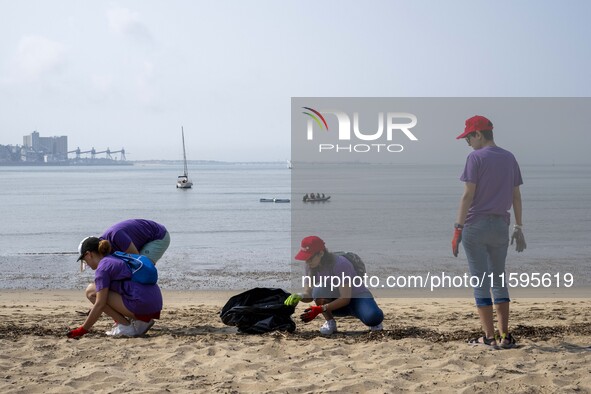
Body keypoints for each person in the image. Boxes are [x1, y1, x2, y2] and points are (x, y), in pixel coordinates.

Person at [452, 115, 526, 349]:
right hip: (500, 226)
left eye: (468, 138)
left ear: (478, 134)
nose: (468, 143)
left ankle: (489, 338)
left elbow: (468, 195)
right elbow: (516, 196)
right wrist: (519, 226)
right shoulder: (509, 157)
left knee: (481, 281)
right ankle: (505, 337)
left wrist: (457, 229)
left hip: (476, 226)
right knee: (498, 279)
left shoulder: (475, 157)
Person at [285, 236, 384, 335]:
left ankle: (364, 312)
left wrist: (321, 309)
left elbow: (345, 298)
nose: (307, 261)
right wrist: (300, 296)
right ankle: (330, 323)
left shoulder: (340, 264)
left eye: (310, 257)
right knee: (318, 290)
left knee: (373, 317)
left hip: (357, 297)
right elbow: (309, 293)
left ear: (321, 253)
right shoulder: (310, 266)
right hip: (335, 304)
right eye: (305, 258)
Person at [67, 236, 163, 339]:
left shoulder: (102, 268)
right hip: (155, 305)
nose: (86, 265)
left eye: (84, 260)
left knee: (91, 292)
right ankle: (139, 322)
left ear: (88, 254)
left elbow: (100, 304)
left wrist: (82, 330)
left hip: (142, 307)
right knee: (100, 290)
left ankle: (125, 326)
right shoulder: (116, 256)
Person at [100, 219, 170, 264]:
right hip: (143, 237)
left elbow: (136, 260)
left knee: (142, 267)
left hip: (158, 235)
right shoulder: (103, 245)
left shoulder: (116, 236)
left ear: (90, 254)